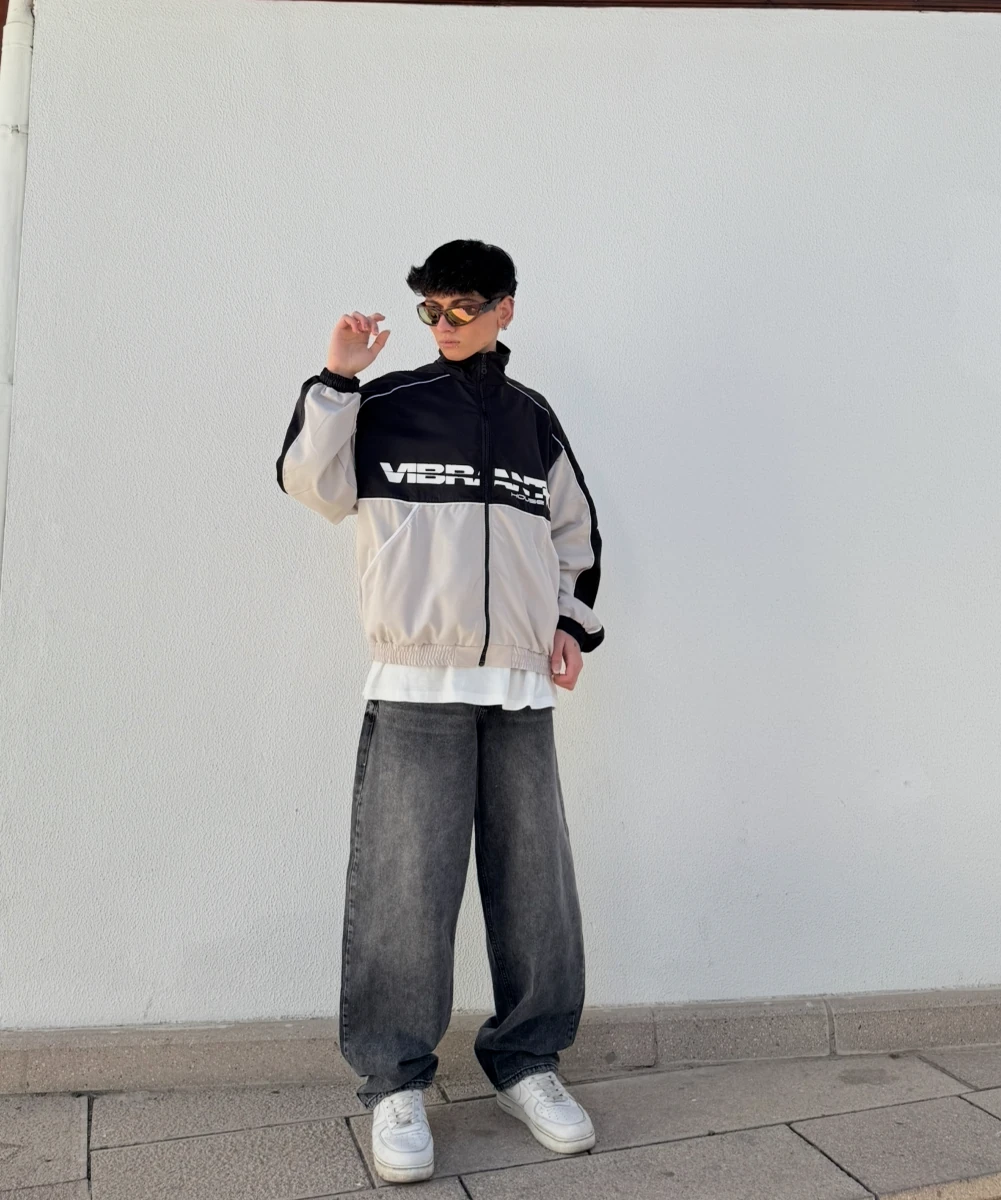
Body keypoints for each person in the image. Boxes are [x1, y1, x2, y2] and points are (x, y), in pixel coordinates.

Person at [276, 239, 604, 1184]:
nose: (444, 324)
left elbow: (574, 534)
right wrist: (337, 377)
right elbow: (309, 484)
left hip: (517, 688)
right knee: (404, 891)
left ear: (505, 309)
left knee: (535, 888)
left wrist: (568, 627)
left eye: (462, 308)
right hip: (417, 684)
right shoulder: (385, 404)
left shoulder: (534, 420)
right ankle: (394, 1082)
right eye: (430, 309)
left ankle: (527, 1062)